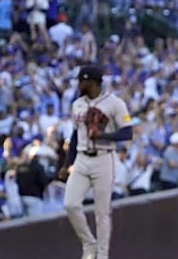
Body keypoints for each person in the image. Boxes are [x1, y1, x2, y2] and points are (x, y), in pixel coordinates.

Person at [62, 64, 133, 259]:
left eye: (81, 81)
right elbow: (76, 135)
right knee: (70, 204)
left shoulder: (114, 103)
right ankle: (89, 243)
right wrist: (66, 164)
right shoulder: (77, 104)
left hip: (104, 158)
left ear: (91, 82)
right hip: (82, 158)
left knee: (102, 213)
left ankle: (102, 255)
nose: (79, 84)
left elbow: (128, 132)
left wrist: (104, 135)